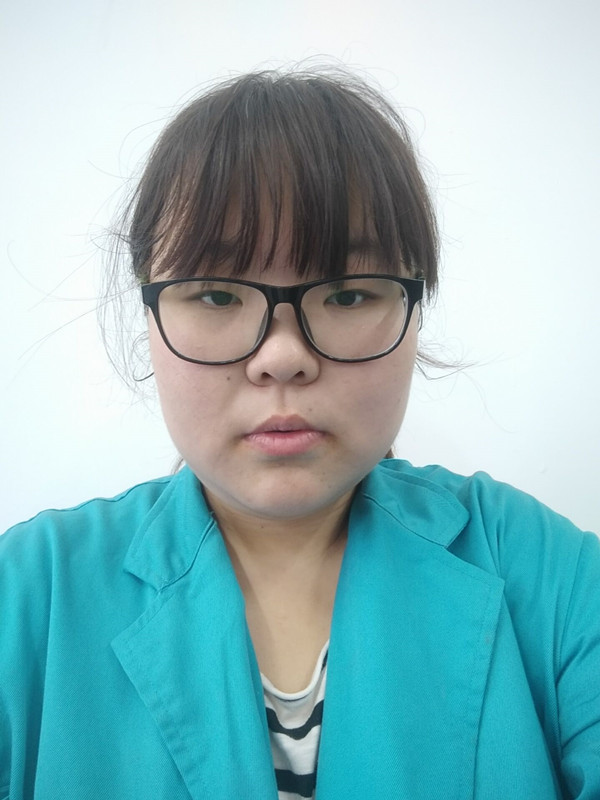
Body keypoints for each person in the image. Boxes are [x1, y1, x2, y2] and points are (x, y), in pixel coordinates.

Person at [1, 68, 599, 800]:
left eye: (347, 293)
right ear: (149, 318)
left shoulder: (553, 575)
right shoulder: (26, 593)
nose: (282, 356)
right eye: (215, 294)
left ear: (414, 311)